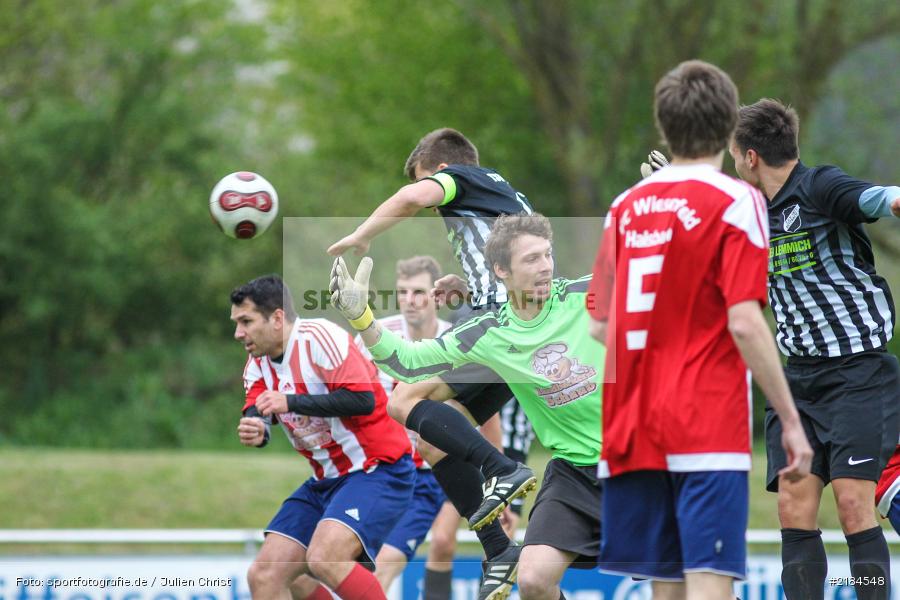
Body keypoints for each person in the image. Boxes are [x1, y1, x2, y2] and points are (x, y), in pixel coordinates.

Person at [587, 60, 813, 600]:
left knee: (666, 589)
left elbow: (599, 326)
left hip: (633, 429)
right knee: (709, 590)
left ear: (665, 126)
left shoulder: (624, 207)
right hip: (704, 427)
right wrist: (790, 418)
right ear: (726, 131)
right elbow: (744, 320)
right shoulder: (738, 201)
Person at [331, 213, 605, 600]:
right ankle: (501, 507)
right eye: (531, 259)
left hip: (635, 461)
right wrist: (362, 317)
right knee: (532, 580)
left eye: (547, 255)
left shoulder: (586, 294)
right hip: (572, 474)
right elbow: (407, 361)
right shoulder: (490, 331)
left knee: (686, 575)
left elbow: (658, 278)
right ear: (501, 270)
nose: (545, 267)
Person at [328, 128, 538, 597]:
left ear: (443, 169)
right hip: (521, 326)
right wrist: (466, 286)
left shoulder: (459, 177)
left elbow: (412, 197)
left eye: (433, 186)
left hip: (500, 323)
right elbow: (516, 265)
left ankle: (502, 470)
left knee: (403, 399)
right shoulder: (501, 193)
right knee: (434, 441)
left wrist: (362, 235)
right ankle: (500, 548)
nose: (436, 208)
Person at [730, 97, 900, 600]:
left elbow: (878, 198)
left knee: (853, 505)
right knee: (792, 507)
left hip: (859, 374)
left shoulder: (820, 187)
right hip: (796, 382)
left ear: (751, 156)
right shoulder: (749, 213)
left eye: (734, 154)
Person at [231, 274, 415, 600]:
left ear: (276, 318)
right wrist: (256, 428)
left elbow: (364, 400)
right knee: (266, 576)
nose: (238, 333)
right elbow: (258, 409)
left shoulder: (319, 338)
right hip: (326, 481)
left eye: (246, 321)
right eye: (236, 323)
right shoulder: (257, 362)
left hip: (378, 469)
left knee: (323, 557)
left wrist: (290, 401)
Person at [357, 255, 500, 597]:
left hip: (450, 460)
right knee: (379, 561)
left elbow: (488, 416)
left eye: (419, 292)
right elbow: (356, 400)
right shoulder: (376, 335)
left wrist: (496, 482)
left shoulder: (456, 338)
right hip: (397, 467)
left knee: (443, 541)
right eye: (403, 292)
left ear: (435, 296)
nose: (410, 300)